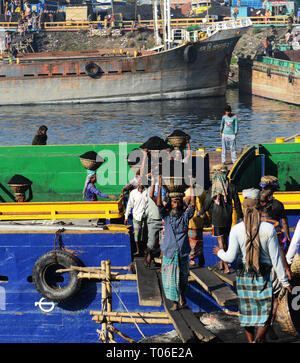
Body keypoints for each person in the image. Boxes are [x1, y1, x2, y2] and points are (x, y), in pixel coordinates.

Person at [213, 188, 292, 343]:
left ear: (244, 207)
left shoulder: (236, 230)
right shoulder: (268, 229)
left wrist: (219, 252)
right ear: (259, 208)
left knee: (247, 313)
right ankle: (258, 340)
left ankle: (251, 341)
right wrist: (284, 282)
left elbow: (229, 258)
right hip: (263, 275)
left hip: (244, 275)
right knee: (265, 312)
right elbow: (276, 259)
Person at [156, 175, 195, 311]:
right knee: (170, 279)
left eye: (178, 202)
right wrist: (160, 186)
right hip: (170, 252)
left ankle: (182, 298)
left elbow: (193, 206)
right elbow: (159, 205)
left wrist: (192, 187)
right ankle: (174, 302)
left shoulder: (185, 217)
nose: (176, 204)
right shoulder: (166, 217)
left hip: (182, 252)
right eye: (173, 202)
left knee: (183, 277)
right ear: (170, 204)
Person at [199, 164, 243, 273]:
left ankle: (226, 266)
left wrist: (201, 212)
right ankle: (222, 264)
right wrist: (240, 217)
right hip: (228, 217)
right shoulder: (232, 187)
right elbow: (237, 203)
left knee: (220, 242)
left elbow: (207, 202)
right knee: (225, 241)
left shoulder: (213, 188)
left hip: (217, 218)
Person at [259, 175, 291, 252]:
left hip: (259, 236)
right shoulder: (278, 205)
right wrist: (288, 239)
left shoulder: (256, 203)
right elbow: (284, 223)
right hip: (275, 236)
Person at [184, 183, 207, 267]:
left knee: (195, 240)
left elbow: (205, 204)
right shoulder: (189, 192)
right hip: (193, 220)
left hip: (196, 220)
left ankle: (194, 257)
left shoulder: (190, 191)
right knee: (194, 240)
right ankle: (195, 257)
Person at [124, 182, 148, 256]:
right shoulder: (133, 193)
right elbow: (129, 205)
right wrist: (126, 216)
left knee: (144, 235)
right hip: (136, 216)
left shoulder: (146, 191)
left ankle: (144, 250)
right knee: (136, 235)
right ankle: (138, 250)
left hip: (144, 216)